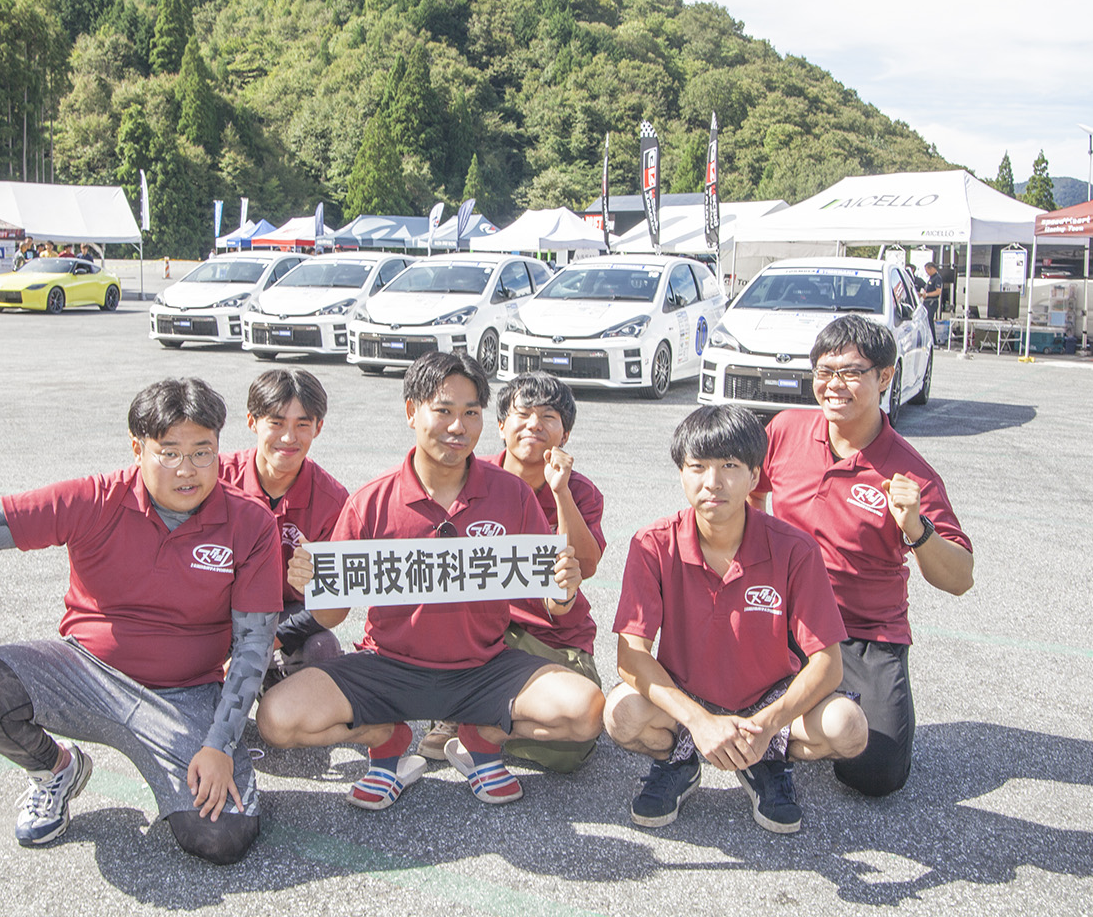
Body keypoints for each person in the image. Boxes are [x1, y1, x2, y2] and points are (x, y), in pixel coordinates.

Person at [0, 377, 283, 864]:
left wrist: (220, 744)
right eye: (169, 452)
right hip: (84, 674)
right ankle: (55, 769)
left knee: (221, 837)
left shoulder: (250, 523)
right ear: (137, 448)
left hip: (183, 696)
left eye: (203, 452)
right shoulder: (94, 500)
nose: (188, 470)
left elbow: (253, 644)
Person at [256, 352, 604, 811]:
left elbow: (554, 603)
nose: (457, 426)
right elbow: (329, 616)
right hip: (386, 667)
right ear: (411, 412)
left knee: (586, 711)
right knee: (276, 719)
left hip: (483, 669)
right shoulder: (370, 502)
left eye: (470, 413)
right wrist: (314, 582)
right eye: (442, 410)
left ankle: (481, 735)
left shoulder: (511, 493)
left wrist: (564, 585)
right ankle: (387, 738)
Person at [604, 405, 868, 834]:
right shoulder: (652, 544)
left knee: (849, 728)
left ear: (755, 475)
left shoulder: (795, 549)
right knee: (620, 715)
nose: (713, 482)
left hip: (767, 699)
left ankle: (766, 759)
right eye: (698, 466)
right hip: (686, 696)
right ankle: (679, 760)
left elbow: (827, 664)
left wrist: (767, 726)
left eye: (729, 465)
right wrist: (699, 721)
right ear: (681, 473)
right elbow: (630, 656)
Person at [751, 314, 974, 797]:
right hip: (782, 616)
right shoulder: (786, 429)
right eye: (824, 372)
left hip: (863, 631)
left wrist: (916, 527)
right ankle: (784, 719)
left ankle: (775, 723)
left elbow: (960, 577)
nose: (834, 385)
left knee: (875, 773)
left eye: (851, 372)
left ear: (886, 377)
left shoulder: (909, 472)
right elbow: (752, 491)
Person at [418, 371, 607, 773]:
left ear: (565, 435)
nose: (535, 424)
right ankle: (460, 711)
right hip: (481, 633)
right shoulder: (467, 477)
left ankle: (481, 725)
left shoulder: (581, 492)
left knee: (574, 746)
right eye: (523, 413)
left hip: (553, 637)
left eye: (549, 417)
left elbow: (585, 566)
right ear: (501, 426)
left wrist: (560, 492)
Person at [222, 369, 349, 685]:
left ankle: (275, 686)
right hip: (219, 615)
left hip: (286, 617)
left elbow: (330, 603)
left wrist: (265, 644)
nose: (289, 437)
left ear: (318, 427)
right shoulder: (216, 480)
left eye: (302, 424)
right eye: (276, 423)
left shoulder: (333, 501)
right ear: (252, 422)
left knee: (324, 648)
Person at [920, 262, 943, 344]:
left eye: (927, 271)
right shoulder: (931, 278)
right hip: (926, 301)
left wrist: (927, 294)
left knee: (929, 321)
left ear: (931, 268)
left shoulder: (937, 278)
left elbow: (938, 291)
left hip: (932, 302)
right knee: (925, 321)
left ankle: (933, 341)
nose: (927, 273)